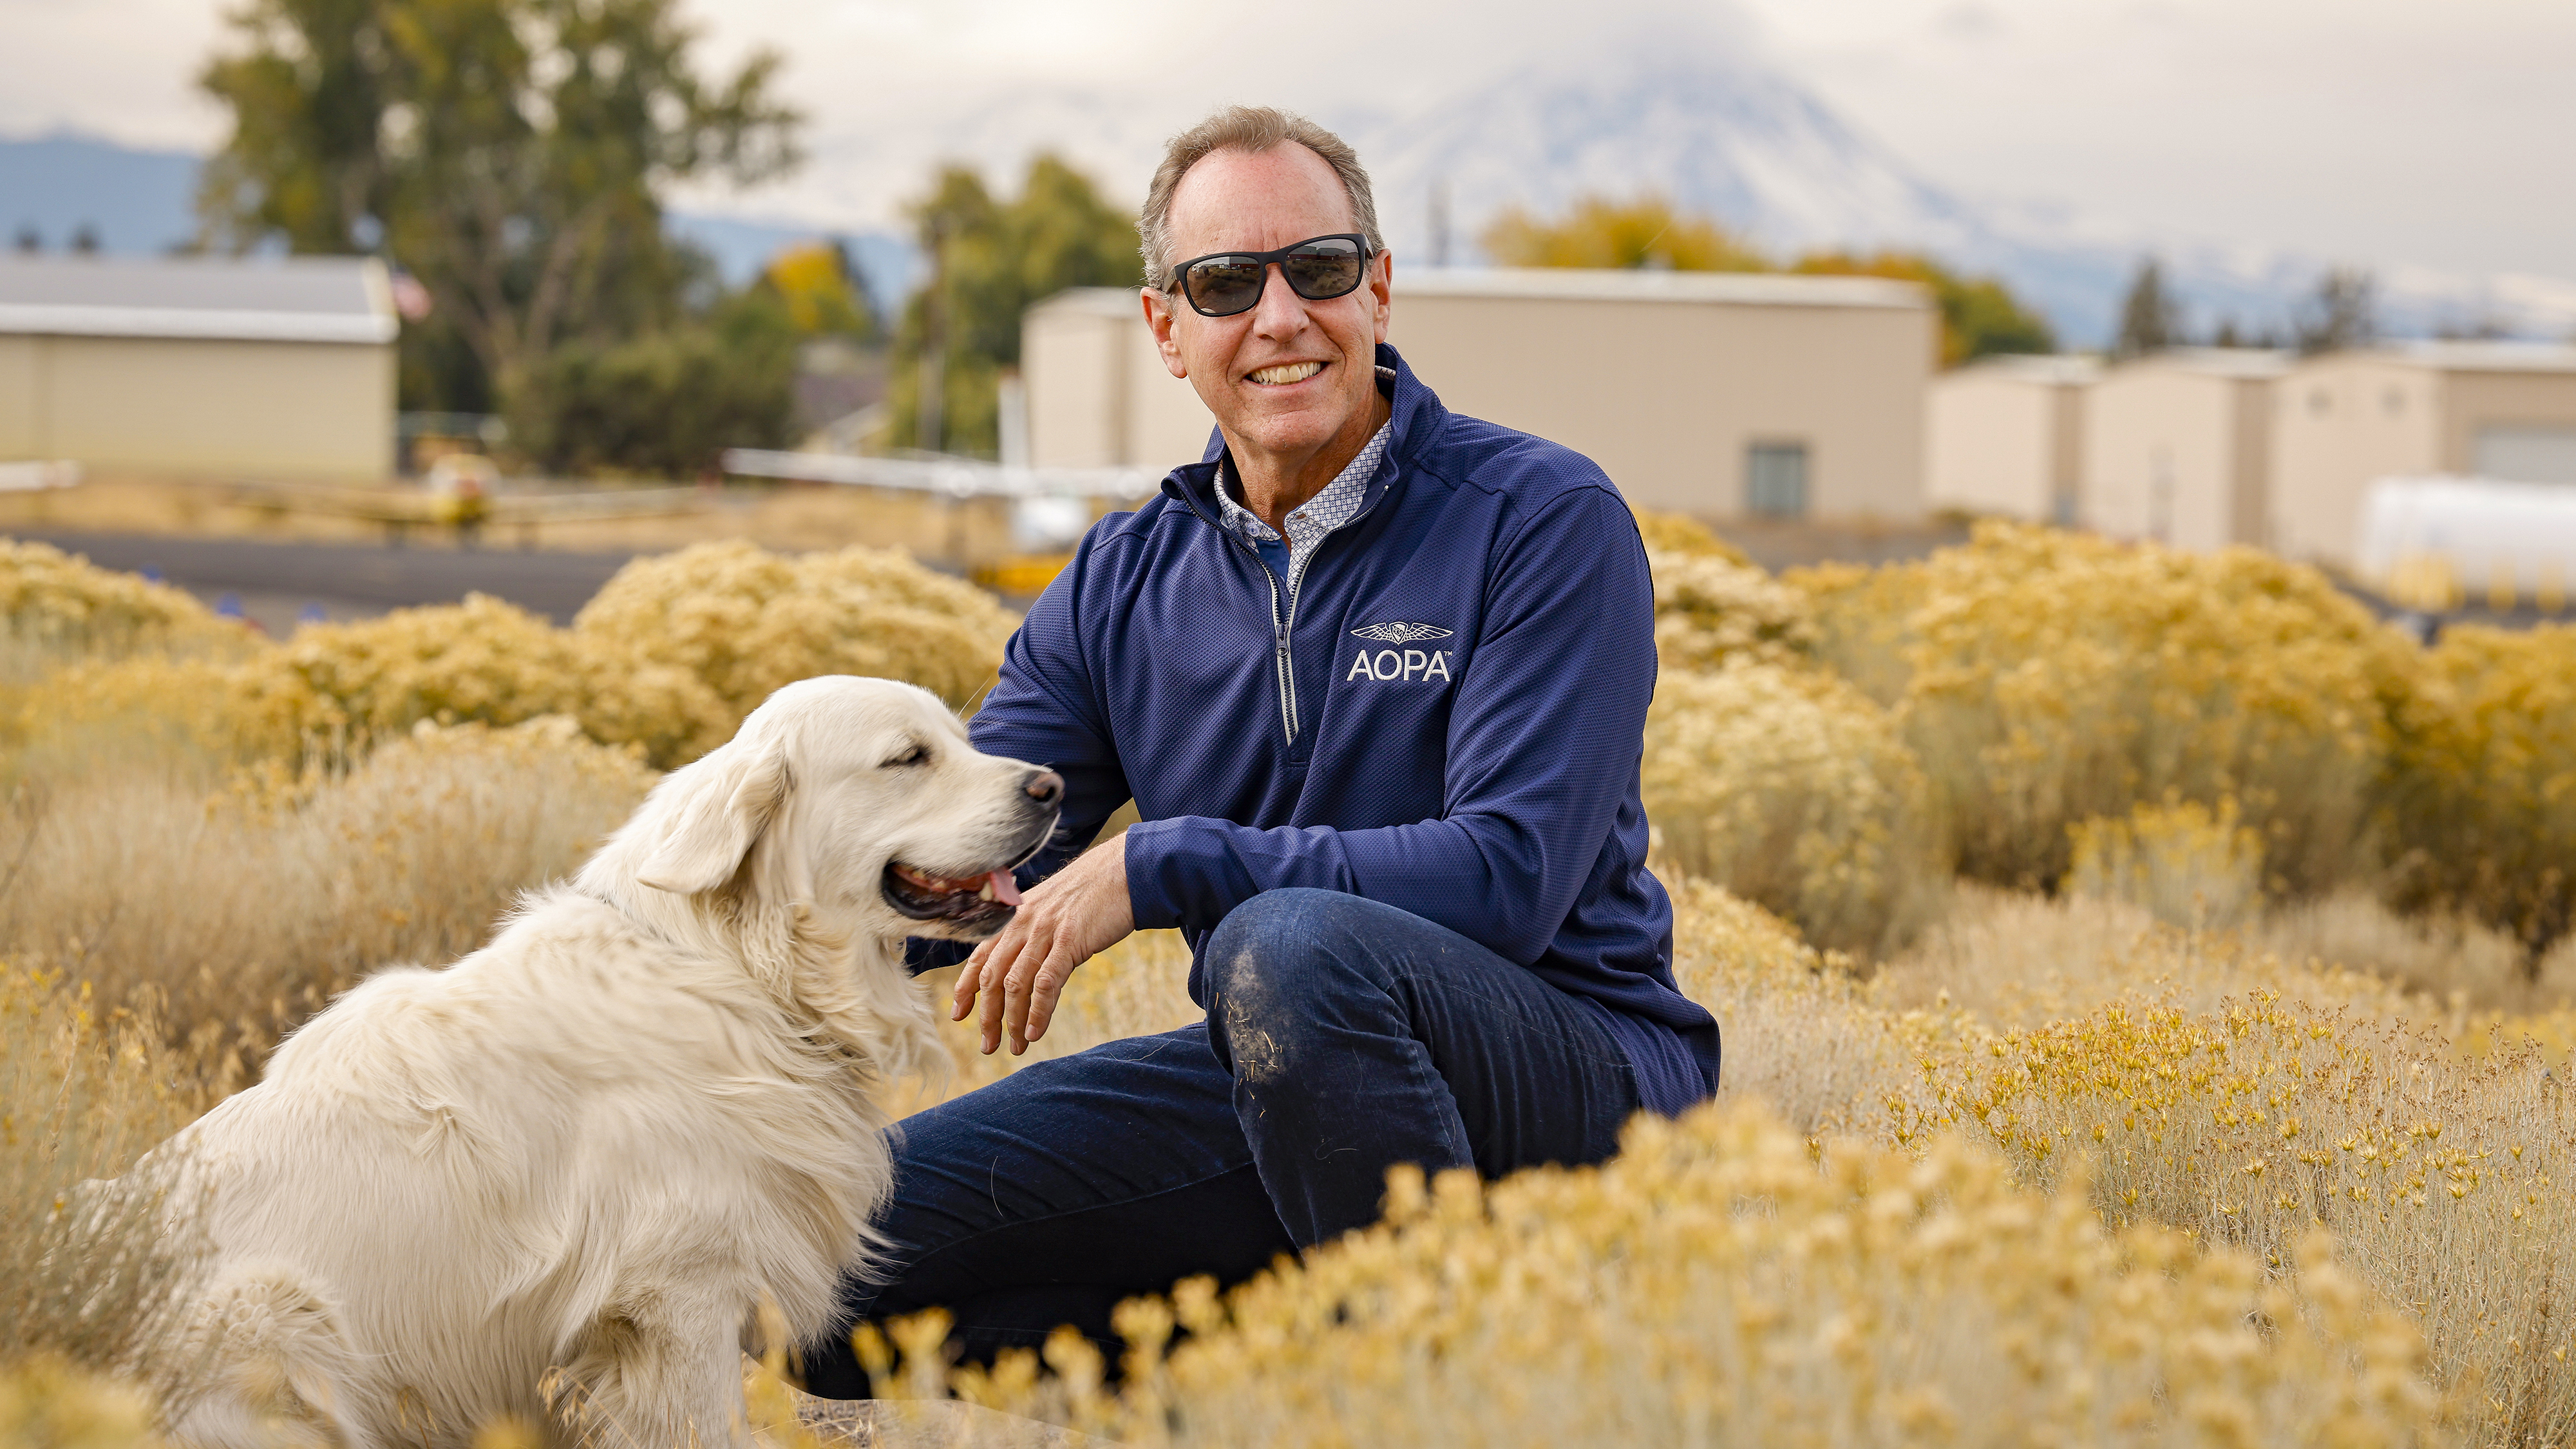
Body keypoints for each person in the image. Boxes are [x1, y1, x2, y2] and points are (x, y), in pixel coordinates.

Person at [802, 106, 1719, 1392]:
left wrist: (1157, 870)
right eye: (1226, 283)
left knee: (1279, 942)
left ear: (1379, 289)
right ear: (1165, 331)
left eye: (1320, 269)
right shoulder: (1122, 581)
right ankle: (1273, 1397)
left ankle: (1450, 1404)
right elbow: (953, 859)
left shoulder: (1540, 520)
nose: (1280, 316)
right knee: (822, 1265)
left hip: (1572, 1068)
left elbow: (1508, 880)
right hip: (1280, 1072)